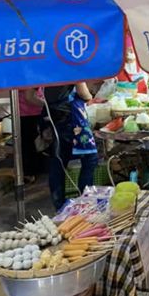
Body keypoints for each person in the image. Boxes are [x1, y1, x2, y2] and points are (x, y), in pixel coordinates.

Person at [44, 82, 98, 210]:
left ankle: (60, 206)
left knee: (58, 161)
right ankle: (86, 203)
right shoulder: (70, 63)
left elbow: (30, 97)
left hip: (53, 117)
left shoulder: (44, 67)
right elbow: (83, 93)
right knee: (90, 158)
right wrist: (91, 98)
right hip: (73, 118)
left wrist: (52, 106)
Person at [19, 88, 46, 184]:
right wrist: (48, 105)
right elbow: (29, 97)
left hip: (23, 113)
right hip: (30, 113)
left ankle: (29, 172)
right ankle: (29, 173)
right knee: (31, 145)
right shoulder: (31, 77)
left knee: (27, 144)